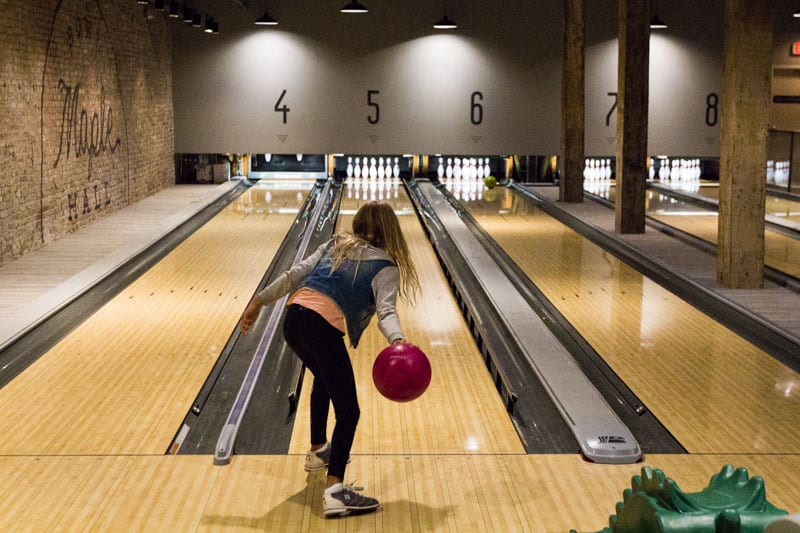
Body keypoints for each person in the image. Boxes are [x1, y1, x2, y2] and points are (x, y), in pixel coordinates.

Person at [240, 201, 420, 518]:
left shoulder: (336, 243)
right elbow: (387, 312)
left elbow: (295, 275)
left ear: (360, 223)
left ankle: (318, 451)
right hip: (321, 327)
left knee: (323, 379)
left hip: (293, 320)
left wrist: (259, 300)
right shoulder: (386, 266)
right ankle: (335, 491)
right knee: (349, 411)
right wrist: (399, 341)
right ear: (392, 230)